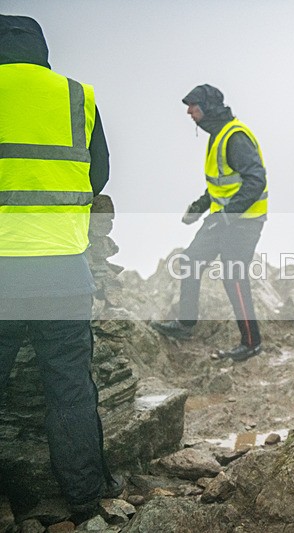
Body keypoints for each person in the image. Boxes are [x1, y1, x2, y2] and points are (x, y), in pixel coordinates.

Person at [0, 15, 121, 516]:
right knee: (69, 384)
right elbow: (99, 174)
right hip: (63, 269)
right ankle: (86, 500)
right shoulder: (77, 95)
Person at [151, 84, 268, 362]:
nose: (189, 112)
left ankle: (251, 343)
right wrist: (199, 207)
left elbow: (255, 181)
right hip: (222, 219)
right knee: (190, 261)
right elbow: (221, 184)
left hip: (243, 222)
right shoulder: (218, 135)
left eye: (193, 106)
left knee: (233, 278)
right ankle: (186, 324)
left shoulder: (235, 137)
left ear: (208, 108)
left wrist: (227, 216)